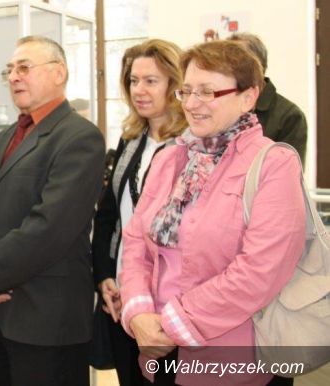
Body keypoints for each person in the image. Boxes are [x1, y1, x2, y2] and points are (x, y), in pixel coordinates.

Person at [119, 40, 306, 386]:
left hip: (233, 358)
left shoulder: (274, 164)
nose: (191, 104)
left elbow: (260, 271)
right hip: (158, 350)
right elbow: (135, 243)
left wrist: (174, 322)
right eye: (187, 91)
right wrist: (139, 312)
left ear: (248, 97)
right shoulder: (170, 159)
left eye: (207, 92)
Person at [0, 35, 106, 386]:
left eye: (24, 67)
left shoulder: (80, 138)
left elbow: (49, 227)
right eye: (10, 70)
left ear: (59, 73)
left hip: (46, 320)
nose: (14, 77)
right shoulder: (7, 136)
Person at [92, 39, 187, 386]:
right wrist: (104, 275)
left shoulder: (191, 144)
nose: (139, 90)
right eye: (133, 81)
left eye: (151, 81)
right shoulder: (131, 139)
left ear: (174, 84)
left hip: (170, 302)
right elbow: (108, 214)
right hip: (122, 294)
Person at [228, 32, 307, 164]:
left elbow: (288, 171)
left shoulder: (290, 116)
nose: (227, 71)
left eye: (235, 63)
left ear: (258, 67)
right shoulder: (223, 105)